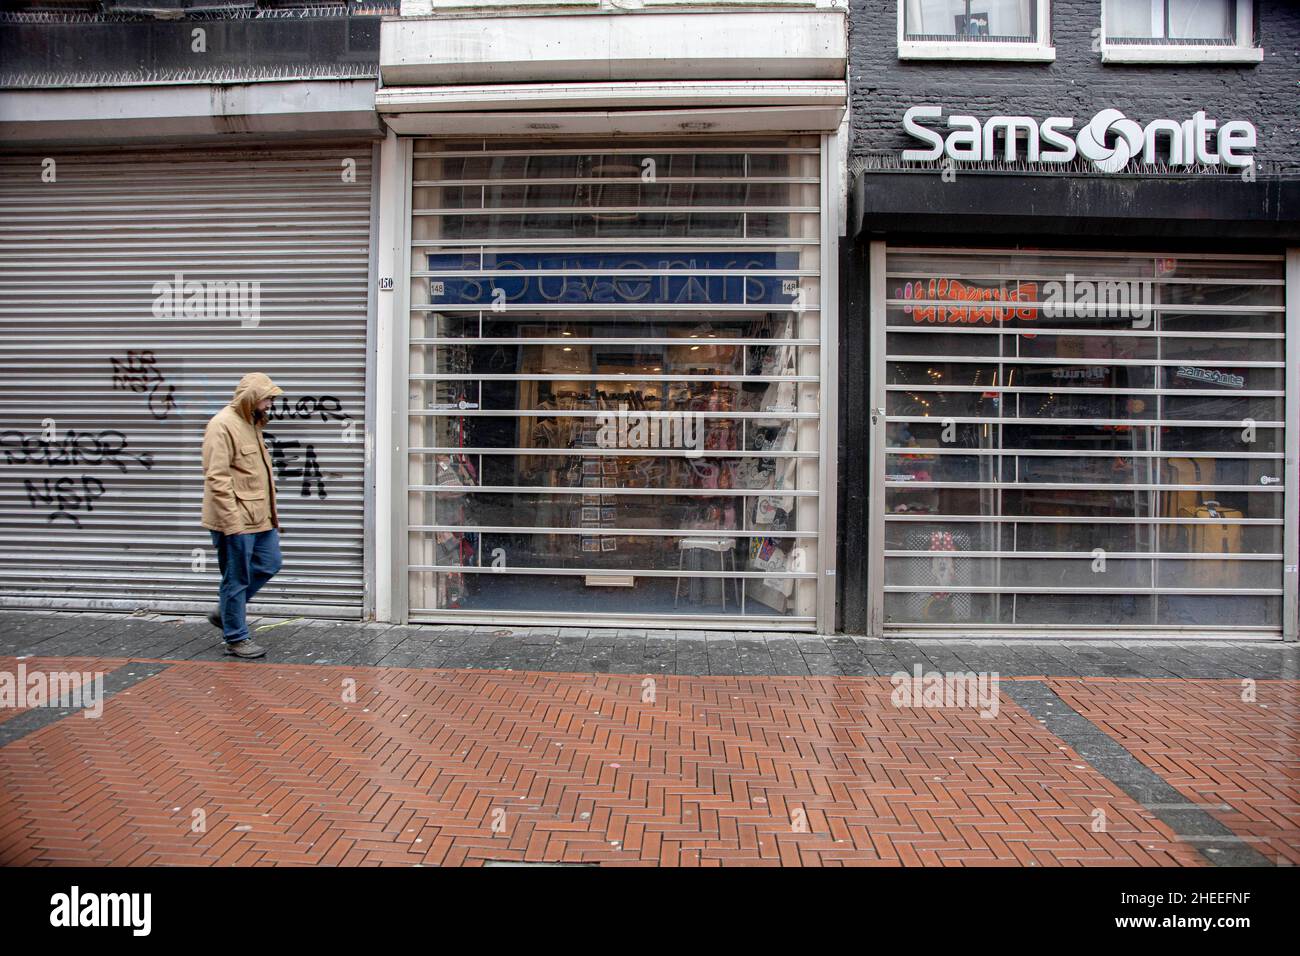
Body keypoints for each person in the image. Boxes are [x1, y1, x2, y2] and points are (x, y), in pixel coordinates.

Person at [201, 372, 285, 658]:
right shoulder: (222, 425)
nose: (271, 403)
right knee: (236, 578)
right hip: (235, 519)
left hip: (260, 517)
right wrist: (231, 523)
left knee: (271, 563)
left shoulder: (251, 423)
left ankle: (226, 610)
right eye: (268, 397)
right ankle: (236, 638)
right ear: (252, 397)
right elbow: (217, 478)